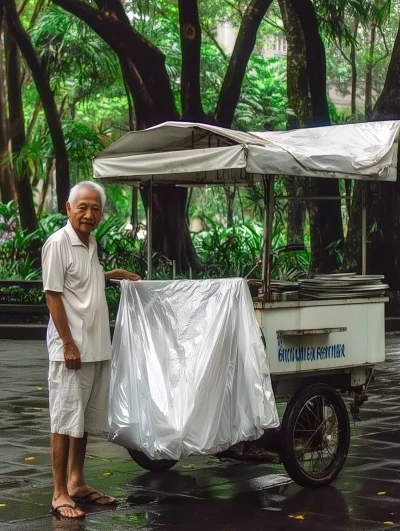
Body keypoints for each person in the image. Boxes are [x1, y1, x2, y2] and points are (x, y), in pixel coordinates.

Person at [42, 181, 140, 519]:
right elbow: (52, 295)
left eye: (95, 208)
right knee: (64, 420)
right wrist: (68, 344)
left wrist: (113, 275)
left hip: (96, 348)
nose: (89, 214)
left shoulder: (90, 242)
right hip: (71, 351)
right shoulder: (58, 243)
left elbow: (85, 279)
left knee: (81, 422)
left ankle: (77, 482)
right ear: (68, 209)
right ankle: (58, 493)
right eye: (82, 207)